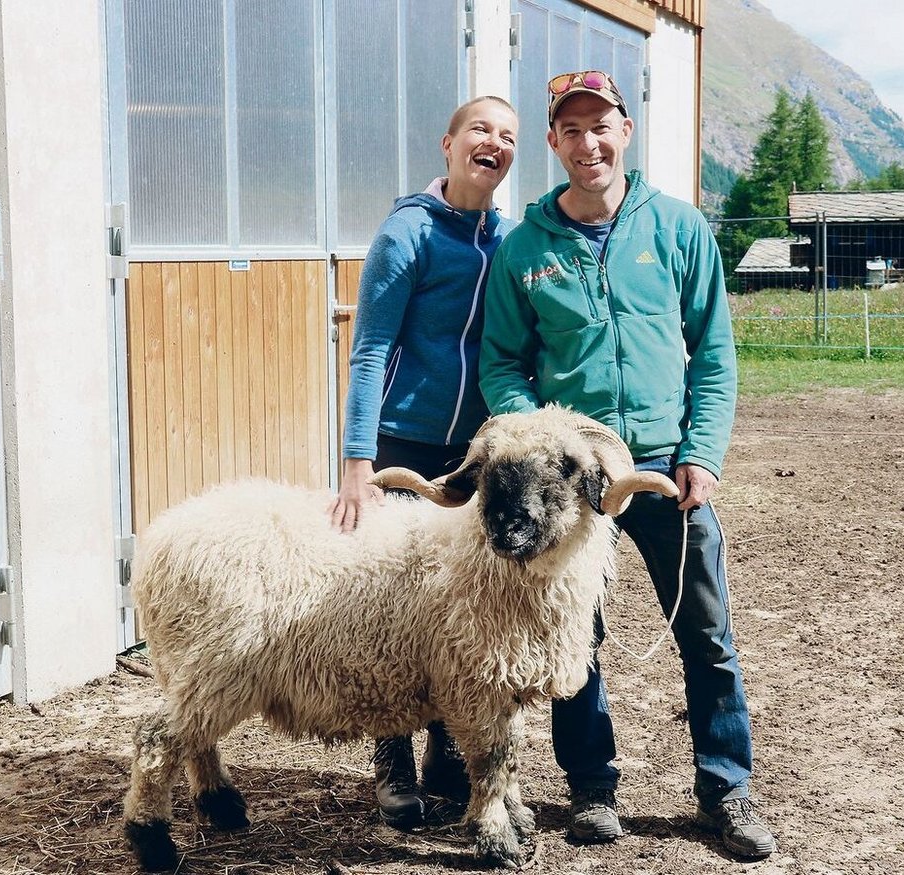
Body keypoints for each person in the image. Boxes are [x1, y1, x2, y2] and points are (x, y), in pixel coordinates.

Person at [478, 70, 777, 860]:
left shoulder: (679, 230)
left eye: (601, 126)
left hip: (666, 473)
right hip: (575, 485)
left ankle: (725, 785)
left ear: (626, 130)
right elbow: (502, 363)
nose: (588, 144)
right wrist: (546, 439)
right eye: (571, 131)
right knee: (576, 635)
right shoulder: (525, 249)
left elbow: (713, 354)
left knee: (706, 631)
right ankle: (591, 789)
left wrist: (701, 454)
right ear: (553, 141)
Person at [328, 95, 519, 829]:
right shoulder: (407, 231)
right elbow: (371, 346)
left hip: (472, 453)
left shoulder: (505, 237)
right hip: (403, 447)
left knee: (457, 609)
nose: (492, 143)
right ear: (448, 143)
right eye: (480, 129)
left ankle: (446, 751)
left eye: (505, 136)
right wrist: (358, 461)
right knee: (391, 607)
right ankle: (392, 759)